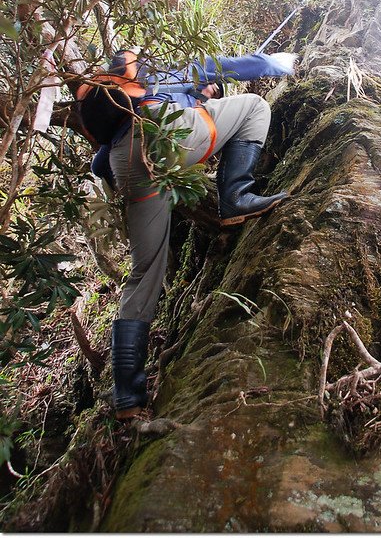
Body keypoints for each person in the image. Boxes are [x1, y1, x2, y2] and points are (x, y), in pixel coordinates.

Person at [77, 48, 296, 418]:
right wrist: (278, 62)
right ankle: (236, 198)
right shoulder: (174, 76)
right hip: (166, 131)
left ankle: (127, 396)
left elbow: (100, 164)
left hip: (123, 160)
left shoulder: (124, 103)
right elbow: (226, 65)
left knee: (145, 272)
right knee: (256, 106)